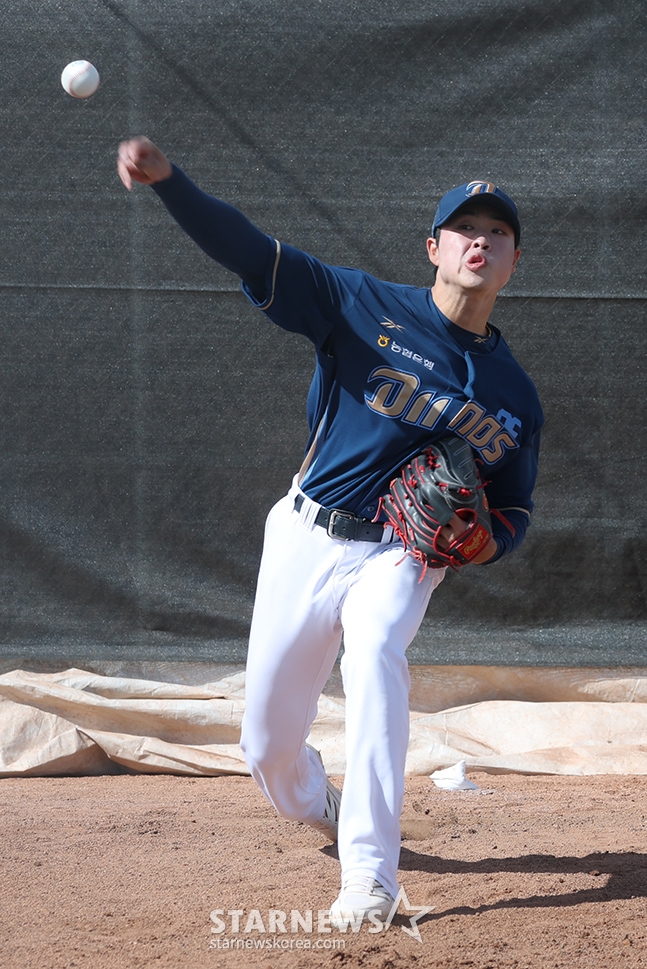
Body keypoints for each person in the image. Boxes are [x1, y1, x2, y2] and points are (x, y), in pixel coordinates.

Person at [117, 140, 543, 927]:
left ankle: (370, 875)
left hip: (402, 552)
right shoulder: (360, 305)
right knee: (266, 749)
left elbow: (514, 507)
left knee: (377, 650)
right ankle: (319, 801)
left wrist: (489, 542)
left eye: (497, 232)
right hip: (307, 533)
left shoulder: (514, 394)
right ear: (433, 248)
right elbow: (251, 253)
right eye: (464, 228)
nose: (479, 240)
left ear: (514, 262)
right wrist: (170, 182)